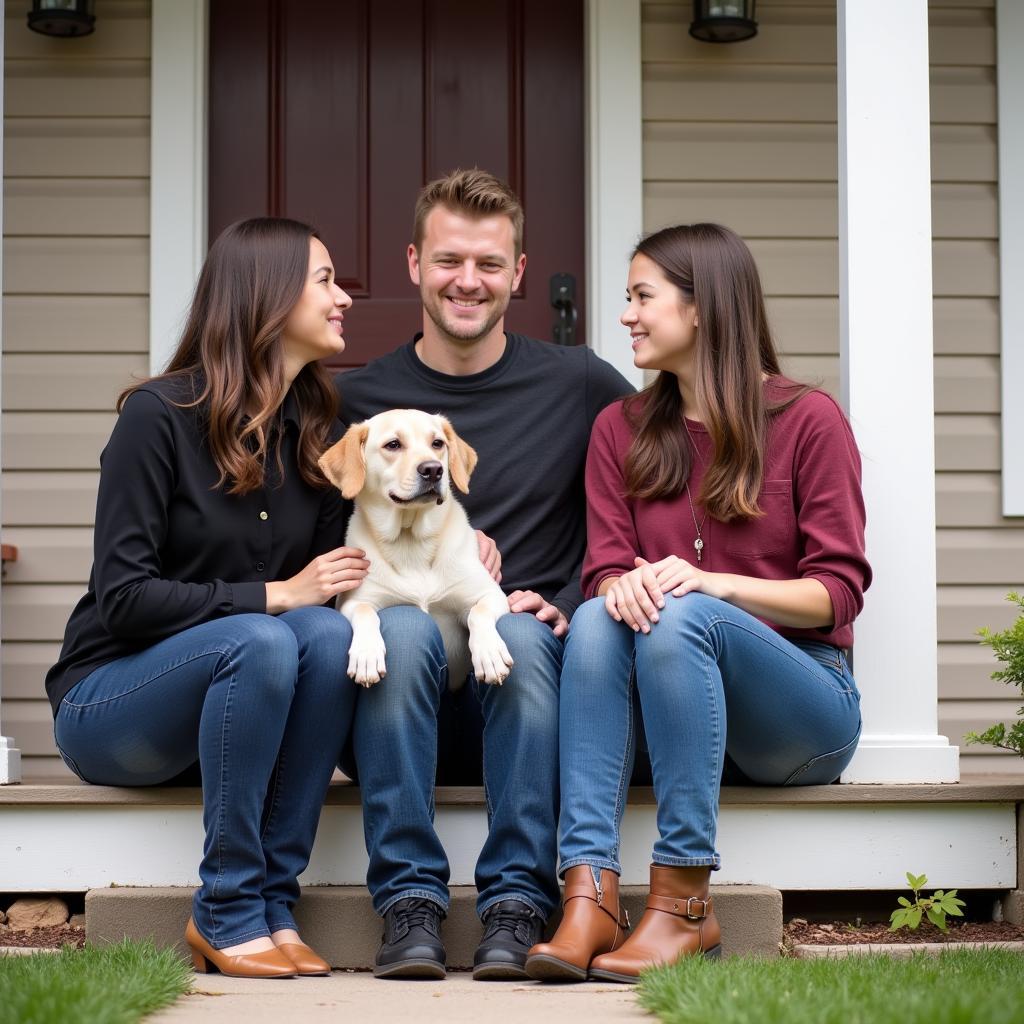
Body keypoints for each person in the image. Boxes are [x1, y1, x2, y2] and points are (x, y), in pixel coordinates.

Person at [526, 223, 871, 983]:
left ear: (704, 309)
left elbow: (838, 594)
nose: (626, 317)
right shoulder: (620, 429)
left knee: (681, 612)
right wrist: (631, 585)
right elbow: (606, 571)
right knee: (595, 613)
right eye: (627, 299)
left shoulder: (807, 420)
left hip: (802, 712)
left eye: (642, 297)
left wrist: (712, 584)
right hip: (674, 712)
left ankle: (684, 901)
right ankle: (589, 891)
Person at [45, 218, 368, 979]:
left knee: (326, 638)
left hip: (237, 718)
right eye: (324, 280)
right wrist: (272, 594)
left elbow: (325, 598)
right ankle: (223, 908)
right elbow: (122, 598)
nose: (344, 298)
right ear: (266, 296)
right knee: (262, 633)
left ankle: (272, 902)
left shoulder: (318, 433)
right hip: (113, 707)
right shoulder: (156, 419)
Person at [335, 168, 632, 980]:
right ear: (412, 264)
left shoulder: (581, 383)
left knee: (525, 634)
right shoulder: (359, 402)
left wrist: (571, 600)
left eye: (490, 264)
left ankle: (516, 902)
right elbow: (312, 532)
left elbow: (647, 498)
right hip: (396, 701)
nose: (468, 281)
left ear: (520, 274)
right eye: (449, 260)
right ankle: (409, 905)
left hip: (525, 695)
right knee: (396, 628)